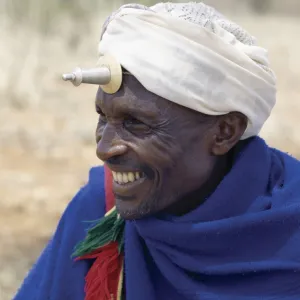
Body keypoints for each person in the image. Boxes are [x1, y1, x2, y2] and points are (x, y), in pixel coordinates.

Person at [14, 2, 300, 300]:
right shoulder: (100, 209)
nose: (104, 149)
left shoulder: (290, 228)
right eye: (103, 116)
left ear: (225, 132)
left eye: (135, 123)